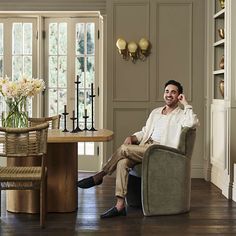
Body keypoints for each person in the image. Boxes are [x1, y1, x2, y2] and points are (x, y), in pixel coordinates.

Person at [78, 80, 199, 219]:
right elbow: (145, 131)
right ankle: (120, 206)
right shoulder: (156, 112)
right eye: (167, 91)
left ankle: (100, 175)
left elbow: (193, 123)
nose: (169, 95)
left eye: (173, 92)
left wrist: (186, 104)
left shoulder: (181, 115)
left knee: (124, 149)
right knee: (122, 163)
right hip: (145, 148)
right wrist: (133, 137)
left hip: (160, 152)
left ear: (179, 96)